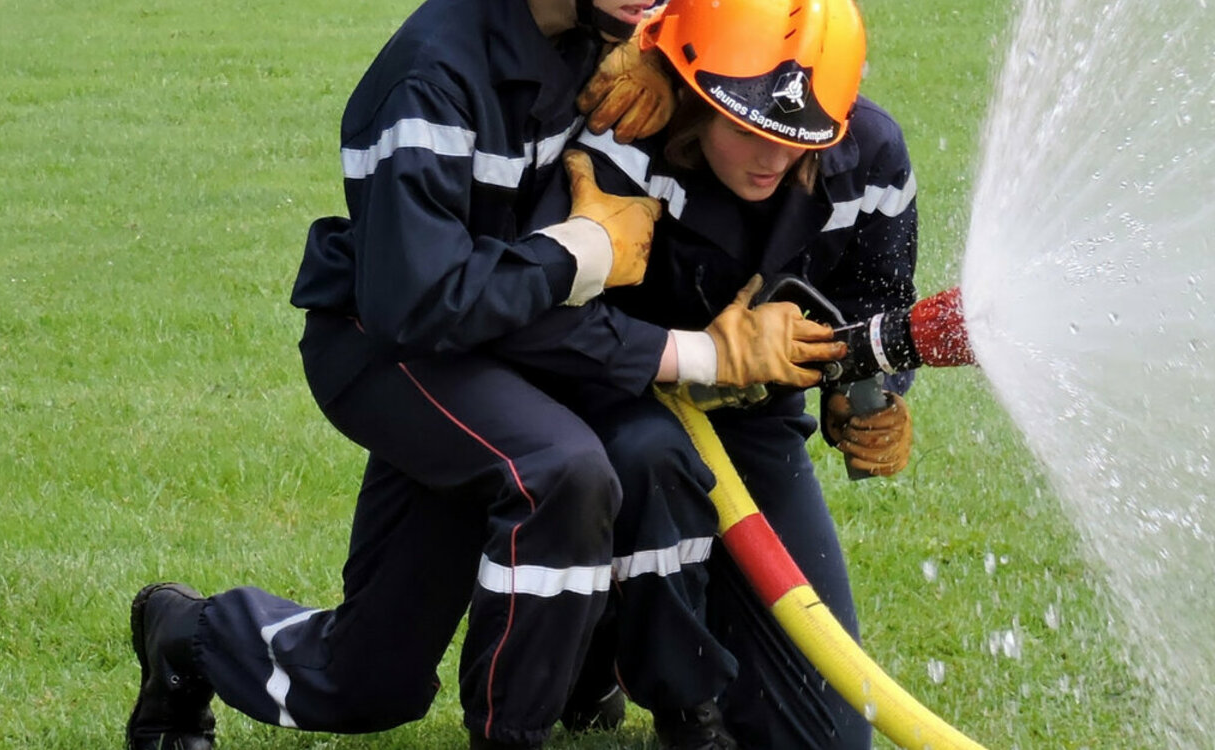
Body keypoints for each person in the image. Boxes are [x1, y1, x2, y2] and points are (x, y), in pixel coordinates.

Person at [121, 1, 842, 749]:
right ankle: (503, 728)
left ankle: (187, 633)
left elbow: (779, 76)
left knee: (373, 679)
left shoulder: (604, 38)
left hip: (504, 345)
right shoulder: (430, 78)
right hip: (394, 351)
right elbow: (418, 299)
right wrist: (588, 259)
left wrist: (670, 62)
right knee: (550, 480)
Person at [556, 1, 921, 747]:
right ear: (692, 93)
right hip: (607, 410)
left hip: (755, 429)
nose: (771, 159)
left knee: (828, 737)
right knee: (641, 466)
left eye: (798, 140)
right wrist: (643, 42)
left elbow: (878, 303)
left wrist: (870, 394)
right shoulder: (625, 127)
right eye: (748, 129)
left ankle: (629, 630)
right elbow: (548, 326)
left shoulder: (873, 154)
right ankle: (615, 655)